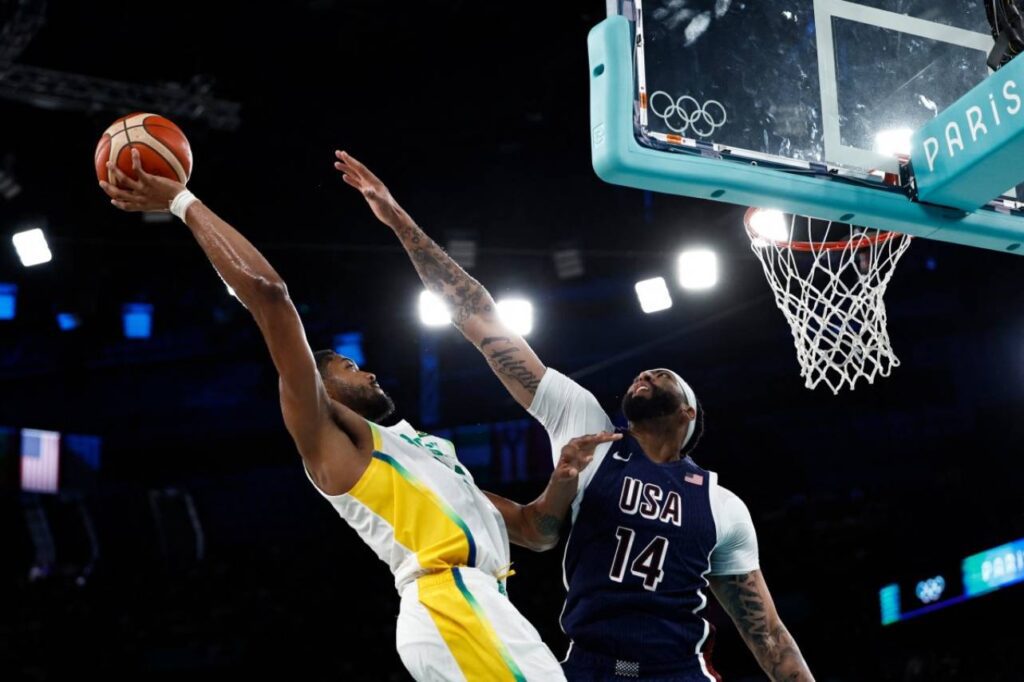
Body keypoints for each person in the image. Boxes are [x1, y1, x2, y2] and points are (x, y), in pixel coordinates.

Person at [99, 149, 614, 681]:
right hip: (449, 604)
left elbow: (536, 531)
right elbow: (270, 296)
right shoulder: (332, 438)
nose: (367, 372)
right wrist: (182, 201)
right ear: (318, 387)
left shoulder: (428, 457)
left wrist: (564, 477)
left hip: (485, 605)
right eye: (348, 366)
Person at [335, 150, 815, 681]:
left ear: (688, 412)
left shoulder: (722, 506)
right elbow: (481, 319)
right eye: (642, 373)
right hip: (587, 667)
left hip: (677, 671)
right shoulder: (587, 428)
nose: (645, 374)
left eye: (662, 375)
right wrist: (399, 219)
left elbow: (766, 632)